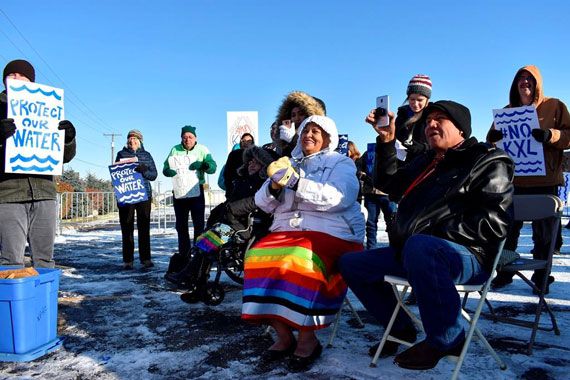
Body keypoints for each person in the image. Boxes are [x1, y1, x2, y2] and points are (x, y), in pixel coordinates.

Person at [339, 101, 513, 371]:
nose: (431, 124)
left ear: (461, 128)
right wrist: (387, 140)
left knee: (422, 247)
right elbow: (389, 185)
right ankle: (400, 328)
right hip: (417, 252)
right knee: (351, 263)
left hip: (467, 256)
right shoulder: (427, 160)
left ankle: (447, 338)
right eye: (428, 119)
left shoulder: (487, 159)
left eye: (440, 119)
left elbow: (494, 224)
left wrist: (430, 235)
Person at [241, 115, 365, 371]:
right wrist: (274, 186)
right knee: (256, 256)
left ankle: (308, 338)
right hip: (289, 232)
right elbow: (262, 203)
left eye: (315, 131)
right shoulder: (288, 162)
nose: (308, 134)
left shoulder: (339, 162)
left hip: (333, 232)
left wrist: (297, 182)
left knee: (297, 257)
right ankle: (284, 335)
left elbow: (340, 197)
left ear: (327, 138)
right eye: (305, 130)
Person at [488, 65, 570, 293]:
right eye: (520, 79)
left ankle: (542, 277)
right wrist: (494, 137)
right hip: (514, 181)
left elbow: (568, 135)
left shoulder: (555, 106)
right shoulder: (507, 111)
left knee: (544, 236)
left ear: (537, 84)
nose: (525, 82)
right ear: (515, 84)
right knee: (507, 232)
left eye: (529, 79)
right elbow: (491, 139)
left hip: (545, 181)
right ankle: (504, 273)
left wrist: (550, 135)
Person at [168, 146, 278, 302]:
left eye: (257, 162)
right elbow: (230, 202)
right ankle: (197, 284)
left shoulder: (265, 183)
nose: (251, 164)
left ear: (265, 165)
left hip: (248, 226)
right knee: (204, 244)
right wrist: (222, 211)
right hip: (231, 224)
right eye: (250, 161)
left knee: (210, 244)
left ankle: (189, 277)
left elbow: (256, 202)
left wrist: (231, 209)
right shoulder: (242, 180)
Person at [0, 59, 76, 268]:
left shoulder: (46, 107)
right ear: (4, 79)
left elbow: (65, 157)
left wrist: (68, 139)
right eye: (11, 75)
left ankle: (44, 301)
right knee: (10, 260)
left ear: (31, 82)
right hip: (8, 194)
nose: (16, 78)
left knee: (45, 260)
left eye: (22, 75)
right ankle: (14, 301)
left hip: (44, 192)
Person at [163, 125, 217, 256]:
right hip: (179, 191)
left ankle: (199, 255)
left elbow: (213, 167)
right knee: (181, 226)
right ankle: (184, 254)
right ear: (181, 138)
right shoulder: (175, 149)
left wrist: (204, 165)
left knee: (198, 225)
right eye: (185, 137)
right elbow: (165, 166)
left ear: (195, 138)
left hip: (196, 191)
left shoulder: (203, 149)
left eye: (190, 137)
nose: (187, 139)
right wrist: (167, 171)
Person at [115, 130, 158, 269]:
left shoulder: (146, 155)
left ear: (140, 141)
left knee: (144, 227)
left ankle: (145, 258)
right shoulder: (121, 154)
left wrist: (144, 170)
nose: (132, 141)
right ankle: (128, 260)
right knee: (126, 227)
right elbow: (116, 173)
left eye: (134, 139)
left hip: (144, 195)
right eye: (130, 139)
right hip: (127, 195)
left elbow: (154, 175)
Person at [356, 145, 397, 249]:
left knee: (392, 223)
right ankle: (371, 249)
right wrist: (360, 172)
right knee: (370, 224)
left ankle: (395, 248)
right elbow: (358, 166)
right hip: (371, 193)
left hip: (388, 194)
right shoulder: (369, 153)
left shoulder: (393, 151)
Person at [272, 91, 326, 157]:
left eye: (301, 114)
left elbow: (309, 158)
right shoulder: (284, 138)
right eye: (293, 115)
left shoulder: (324, 136)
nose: (297, 118)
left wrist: (293, 140)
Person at [394, 74, 432, 163]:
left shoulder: (432, 116)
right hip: (403, 165)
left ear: (427, 100)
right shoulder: (401, 116)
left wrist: (424, 148)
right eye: (412, 99)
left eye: (420, 100)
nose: (415, 103)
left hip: (425, 163)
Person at [222, 133, 255, 197]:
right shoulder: (233, 154)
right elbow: (227, 174)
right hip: (235, 191)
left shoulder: (255, 155)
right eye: (243, 141)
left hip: (251, 193)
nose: (246, 143)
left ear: (252, 143)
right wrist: (230, 191)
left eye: (249, 141)